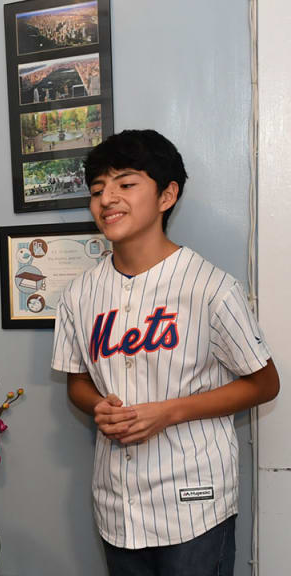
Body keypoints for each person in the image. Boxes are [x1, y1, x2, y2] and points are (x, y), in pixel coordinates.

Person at [51, 129, 280, 576]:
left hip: (194, 507)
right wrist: (98, 404)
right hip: (117, 504)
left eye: (125, 183)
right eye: (97, 189)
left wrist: (169, 412)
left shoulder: (212, 287)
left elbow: (264, 383)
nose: (107, 198)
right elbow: (76, 382)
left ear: (167, 194)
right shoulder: (79, 295)